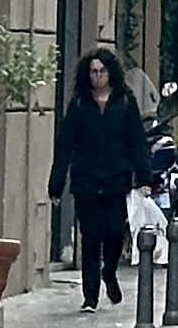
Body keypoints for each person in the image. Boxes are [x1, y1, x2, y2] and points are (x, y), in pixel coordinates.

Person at [48, 45, 156, 310]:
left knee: (114, 233)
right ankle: (90, 295)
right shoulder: (79, 104)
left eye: (101, 71)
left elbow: (136, 141)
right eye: (93, 72)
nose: (97, 77)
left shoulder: (125, 101)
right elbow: (65, 145)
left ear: (111, 73)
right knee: (90, 236)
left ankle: (109, 271)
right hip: (85, 180)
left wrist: (145, 178)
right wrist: (56, 184)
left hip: (116, 179)